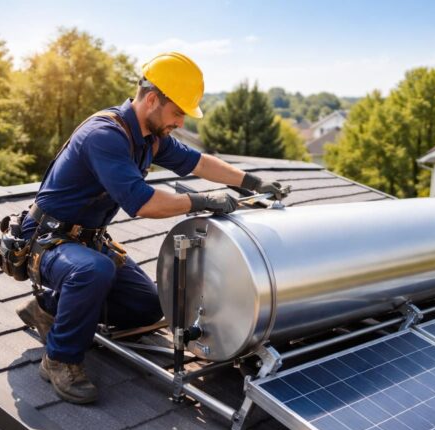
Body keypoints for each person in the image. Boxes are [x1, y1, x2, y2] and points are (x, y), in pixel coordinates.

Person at [15, 52, 288, 404]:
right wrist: (205, 201)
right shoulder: (105, 135)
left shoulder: (148, 136)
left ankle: (48, 308)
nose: (179, 122)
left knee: (148, 306)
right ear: (153, 99)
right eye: (177, 112)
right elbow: (143, 201)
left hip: (85, 240)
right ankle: (60, 359)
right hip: (48, 241)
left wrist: (250, 182)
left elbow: (199, 162)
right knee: (93, 271)